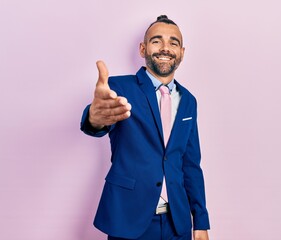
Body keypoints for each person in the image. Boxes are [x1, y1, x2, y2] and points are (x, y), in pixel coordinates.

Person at [80, 15, 210, 240]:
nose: (165, 48)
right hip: (129, 218)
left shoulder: (189, 101)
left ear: (182, 52)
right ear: (143, 49)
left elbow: (190, 165)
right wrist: (94, 117)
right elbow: (98, 122)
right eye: (156, 40)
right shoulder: (119, 88)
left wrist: (200, 221)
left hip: (177, 224)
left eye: (173, 43)